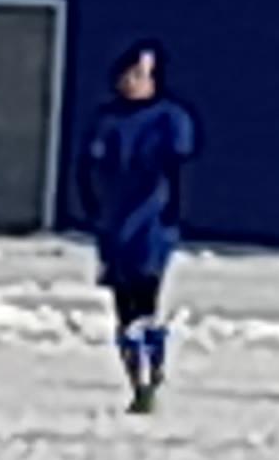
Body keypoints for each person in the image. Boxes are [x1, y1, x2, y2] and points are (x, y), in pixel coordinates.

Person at [73, 45, 196, 413]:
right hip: (114, 228)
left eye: (143, 75)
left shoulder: (169, 119)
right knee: (122, 311)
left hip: (151, 228)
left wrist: (173, 214)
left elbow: (179, 171)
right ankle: (136, 379)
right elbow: (87, 168)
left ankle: (151, 373)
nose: (133, 82)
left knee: (145, 303)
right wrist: (92, 209)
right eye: (129, 74)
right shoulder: (106, 120)